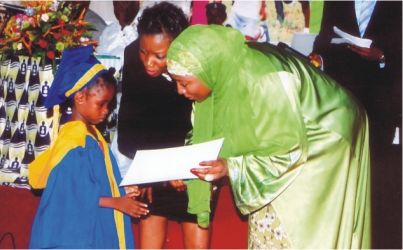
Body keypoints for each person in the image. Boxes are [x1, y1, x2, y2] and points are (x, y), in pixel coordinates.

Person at [166, 25, 371, 249]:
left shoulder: (261, 80)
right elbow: (207, 134)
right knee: (265, 218)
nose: (179, 91)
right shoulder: (222, 71)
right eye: (175, 82)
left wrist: (230, 168)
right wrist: (184, 166)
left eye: (184, 83)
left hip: (326, 137)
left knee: (299, 227)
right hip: (285, 137)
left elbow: (288, 151)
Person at [115, 2, 216, 249]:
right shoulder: (132, 57)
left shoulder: (198, 65)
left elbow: (206, 124)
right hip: (152, 167)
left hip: (192, 167)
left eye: (159, 56)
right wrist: (153, 172)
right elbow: (130, 125)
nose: (148, 62)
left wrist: (180, 167)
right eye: (143, 51)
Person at [28, 45, 149, 249]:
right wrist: (117, 202)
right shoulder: (74, 142)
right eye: (101, 104)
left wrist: (119, 188)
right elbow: (72, 195)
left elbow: (94, 180)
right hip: (77, 230)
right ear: (80, 97)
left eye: (109, 105)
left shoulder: (92, 134)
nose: (106, 112)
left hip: (94, 219)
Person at [308, 1, 402, 247]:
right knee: (345, 172)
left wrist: (382, 56)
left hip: (382, 105)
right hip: (343, 100)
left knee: (377, 178)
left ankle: (374, 238)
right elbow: (324, 39)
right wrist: (318, 56)